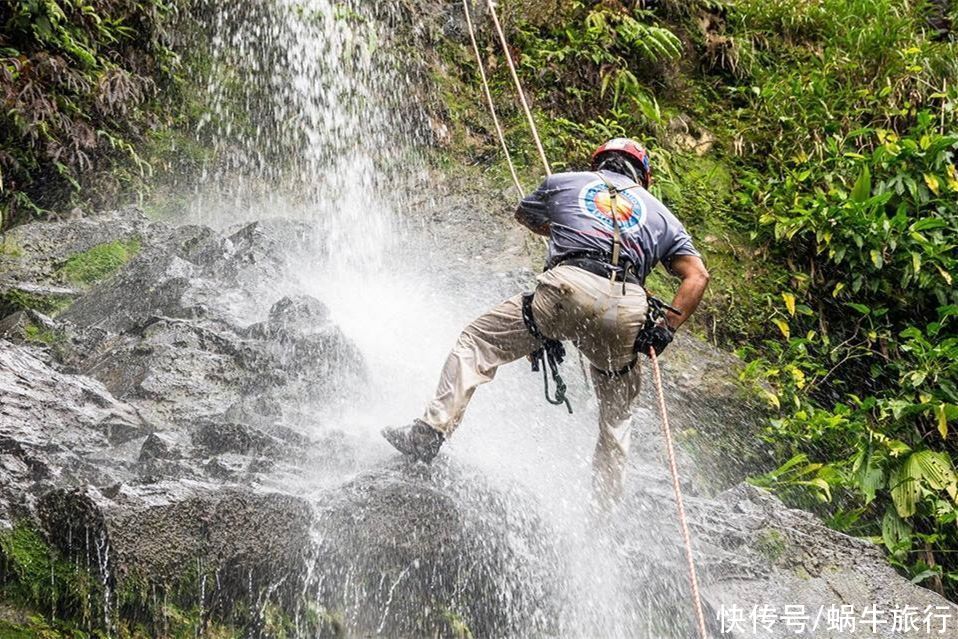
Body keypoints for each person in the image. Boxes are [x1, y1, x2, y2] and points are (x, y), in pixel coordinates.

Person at [383, 138, 710, 505]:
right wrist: (664, 329)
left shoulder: (565, 181)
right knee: (616, 418)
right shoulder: (662, 215)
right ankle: (604, 513)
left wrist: (571, 229)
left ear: (598, 163)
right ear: (643, 179)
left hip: (567, 287)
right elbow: (697, 276)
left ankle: (431, 431)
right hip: (627, 306)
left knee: (478, 342)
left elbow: (526, 215)